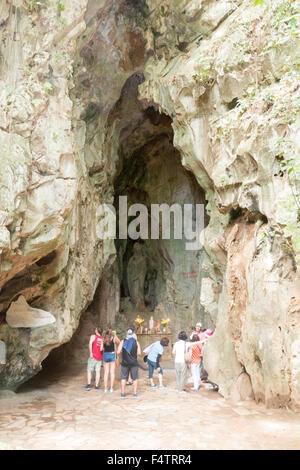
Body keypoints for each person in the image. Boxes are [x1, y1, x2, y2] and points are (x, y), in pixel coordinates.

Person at [117, 328, 141, 398]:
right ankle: (135, 394)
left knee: (123, 378)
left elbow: (118, 352)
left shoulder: (122, 341)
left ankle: (123, 394)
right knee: (135, 378)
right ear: (133, 334)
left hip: (125, 363)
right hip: (134, 363)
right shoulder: (136, 342)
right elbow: (139, 353)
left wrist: (123, 351)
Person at [103, 329, 121, 393]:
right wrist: (115, 335)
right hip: (112, 355)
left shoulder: (104, 339)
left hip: (105, 355)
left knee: (106, 372)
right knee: (112, 372)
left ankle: (105, 388)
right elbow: (119, 342)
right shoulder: (113, 338)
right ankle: (111, 388)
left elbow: (103, 348)